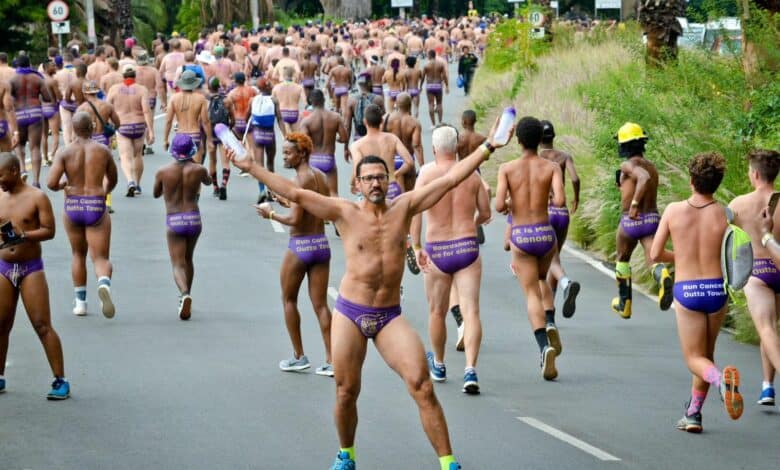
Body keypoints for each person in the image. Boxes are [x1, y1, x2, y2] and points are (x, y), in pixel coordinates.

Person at [228, 116, 510, 470]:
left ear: (390, 179)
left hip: (389, 316)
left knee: (422, 385)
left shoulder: (404, 206)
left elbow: (452, 178)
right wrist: (251, 166)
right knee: (346, 391)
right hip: (350, 313)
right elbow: (296, 193)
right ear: (357, 184)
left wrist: (488, 148)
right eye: (369, 178)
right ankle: (346, 454)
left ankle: (448, 462)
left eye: (381, 176)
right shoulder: (343, 211)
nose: (376, 183)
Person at [649, 152, 743, 432]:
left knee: (693, 358)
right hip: (717, 291)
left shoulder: (674, 211)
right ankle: (693, 413)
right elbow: (733, 254)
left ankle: (721, 383)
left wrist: (681, 257)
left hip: (688, 291)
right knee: (705, 355)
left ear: (691, 181)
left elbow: (654, 254)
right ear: (716, 182)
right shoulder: (725, 214)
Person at [411, 124, 491, 394]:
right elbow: (486, 213)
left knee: (437, 311)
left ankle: (440, 364)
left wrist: (417, 245)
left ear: (434, 149)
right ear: (457, 148)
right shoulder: (472, 175)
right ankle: (471, 369)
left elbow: (414, 210)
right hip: (466, 247)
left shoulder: (426, 174)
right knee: (471, 311)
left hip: (437, 249)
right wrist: (472, 223)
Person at [254, 133, 334, 376]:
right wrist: (287, 201)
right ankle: (332, 360)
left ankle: (299, 357)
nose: (284, 157)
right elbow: (316, 209)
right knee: (321, 305)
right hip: (321, 244)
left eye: (289, 153)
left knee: (289, 300)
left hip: (300, 246)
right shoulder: (320, 176)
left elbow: (296, 221)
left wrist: (270, 215)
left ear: (302, 154)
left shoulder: (299, 180)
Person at [495, 117, 564, 380]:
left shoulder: (507, 169)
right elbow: (559, 199)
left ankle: (544, 346)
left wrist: (514, 202)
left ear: (519, 140)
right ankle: (550, 322)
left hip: (522, 236)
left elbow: (499, 206)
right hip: (546, 235)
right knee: (541, 279)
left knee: (531, 293)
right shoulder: (552, 167)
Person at [0, 152, 69, 399]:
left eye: (2, 176)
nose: (0, 182)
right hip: (4, 268)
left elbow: (49, 231)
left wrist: (24, 235)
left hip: (31, 268)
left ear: (15, 172)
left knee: (42, 325)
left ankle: (60, 380)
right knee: (1, 325)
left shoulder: (37, 197)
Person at [46, 112, 118, 318]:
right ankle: (103, 283)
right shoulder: (103, 151)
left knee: (78, 254)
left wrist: (64, 186)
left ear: (74, 129)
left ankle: (80, 303)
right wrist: (104, 191)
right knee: (101, 257)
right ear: (93, 126)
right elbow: (112, 178)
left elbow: (51, 183)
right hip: (95, 204)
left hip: (74, 205)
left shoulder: (65, 152)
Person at [728, 149, 780, 407]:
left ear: (756, 173)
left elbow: (724, 237)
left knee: (766, 328)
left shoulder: (738, 204)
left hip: (757, 272)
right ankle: (767, 386)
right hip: (779, 265)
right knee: (770, 329)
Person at [612, 122, 672, 319]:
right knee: (652, 258)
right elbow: (647, 178)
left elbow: (643, 178)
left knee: (622, 258)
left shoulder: (628, 165)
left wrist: (634, 204)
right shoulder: (653, 167)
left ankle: (624, 303)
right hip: (652, 219)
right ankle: (662, 276)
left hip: (631, 220)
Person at [153, 134, 211, 320]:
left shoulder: (163, 171)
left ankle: (184, 294)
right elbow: (208, 181)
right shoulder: (199, 169)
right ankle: (187, 295)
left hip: (175, 219)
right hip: (193, 218)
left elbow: (155, 193)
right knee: (189, 259)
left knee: (177, 263)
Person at [538, 120, 581, 319]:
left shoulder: (537, 158)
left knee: (549, 260)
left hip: (545, 211)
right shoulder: (564, 157)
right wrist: (576, 198)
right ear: (553, 136)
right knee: (555, 257)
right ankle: (551, 308)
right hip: (562, 212)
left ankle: (565, 284)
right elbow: (575, 178)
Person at [349, 105, 413, 201]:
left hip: (371, 189)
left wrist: (352, 183)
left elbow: (357, 168)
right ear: (382, 121)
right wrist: (395, 174)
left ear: (364, 121)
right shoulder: (392, 138)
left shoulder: (356, 145)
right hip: (391, 187)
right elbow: (409, 162)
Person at [107, 64, 153, 197]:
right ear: (135, 75)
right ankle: (137, 184)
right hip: (139, 126)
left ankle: (130, 181)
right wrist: (151, 130)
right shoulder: (142, 89)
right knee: (138, 155)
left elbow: (107, 108)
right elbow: (146, 110)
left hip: (123, 126)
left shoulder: (114, 89)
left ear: (122, 75)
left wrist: (108, 127)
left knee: (125, 156)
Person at [11, 55, 52, 187]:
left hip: (19, 114)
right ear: (29, 64)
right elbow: (47, 98)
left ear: (17, 65)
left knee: (19, 145)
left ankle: (23, 169)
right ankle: (36, 181)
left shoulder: (12, 79)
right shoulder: (38, 78)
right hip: (35, 113)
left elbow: (7, 100)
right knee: (35, 148)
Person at [299, 89, 347, 197]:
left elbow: (303, 144)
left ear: (311, 101)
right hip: (328, 159)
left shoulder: (307, 121)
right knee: (333, 193)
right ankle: (335, 213)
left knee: (313, 196)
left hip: (313, 161)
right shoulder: (335, 117)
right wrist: (335, 139)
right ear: (324, 100)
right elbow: (344, 138)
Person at [163, 70, 212, 165]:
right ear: (194, 83)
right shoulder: (200, 99)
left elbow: (168, 121)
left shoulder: (173, 98)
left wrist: (165, 139)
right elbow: (205, 121)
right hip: (195, 135)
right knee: (196, 168)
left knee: (180, 167)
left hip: (180, 136)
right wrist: (209, 140)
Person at [271, 66, 305, 134]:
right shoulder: (299, 87)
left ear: (283, 75)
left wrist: (280, 101)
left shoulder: (276, 87)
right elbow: (305, 102)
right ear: (293, 75)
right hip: (294, 112)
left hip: (283, 113)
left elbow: (272, 100)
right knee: (297, 138)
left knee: (287, 139)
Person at [422, 50, 449, 127]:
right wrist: (446, 86)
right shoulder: (440, 64)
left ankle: (433, 124)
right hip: (438, 85)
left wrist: (420, 86)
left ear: (429, 55)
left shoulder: (426, 65)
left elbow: (423, 77)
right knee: (439, 104)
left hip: (429, 86)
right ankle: (440, 122)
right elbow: (444, 76)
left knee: (430, 104)